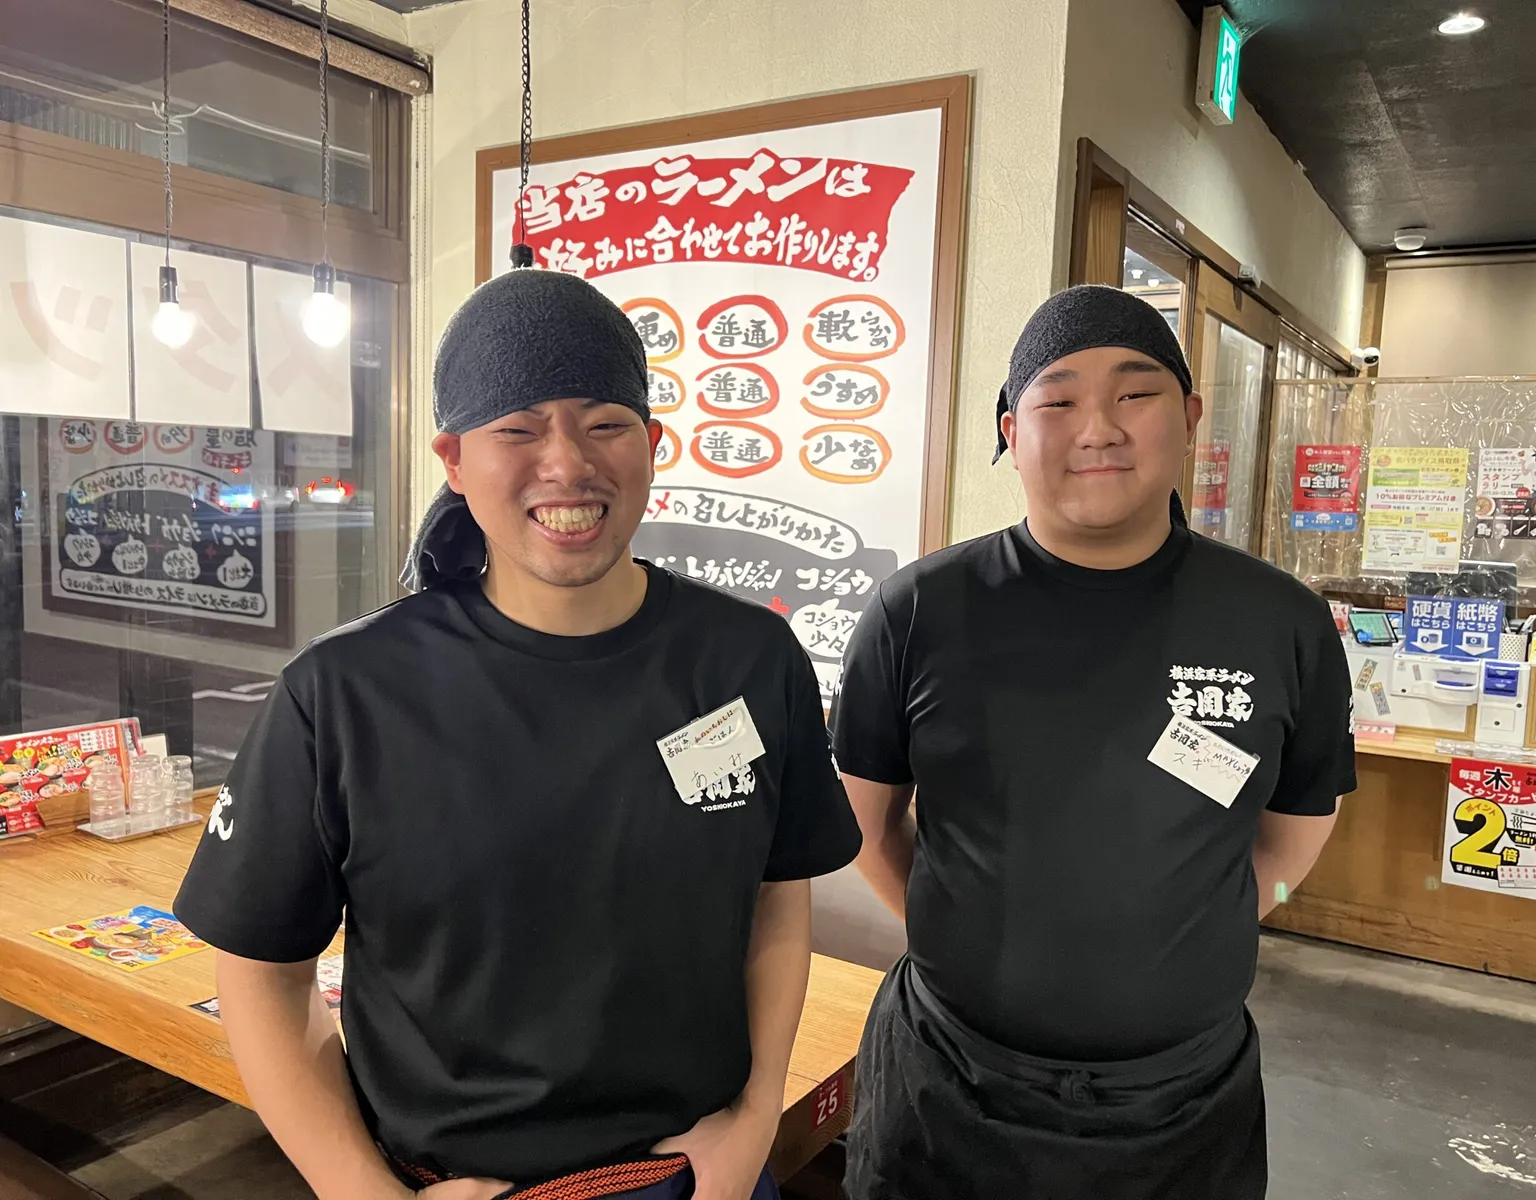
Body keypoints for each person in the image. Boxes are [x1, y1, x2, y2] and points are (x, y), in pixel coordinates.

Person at [175, 269, 862, 1200]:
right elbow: (260, 975)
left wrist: (752, 1120)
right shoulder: (345, 691)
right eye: (520, 428)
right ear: (454, 460)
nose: (568, 463)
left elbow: (778, 901)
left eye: (605, 422)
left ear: (654, 445)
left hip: (692, 1178)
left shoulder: (747, 658)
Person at [828, 285, 1356, 1200]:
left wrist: (1204, 925)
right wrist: (961, 937)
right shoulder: (917, 612)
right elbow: (868, 825)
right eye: (1058, 398)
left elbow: (1294, 828)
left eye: (1136, 393)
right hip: (948, 1088)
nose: (1099, 427)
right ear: (1010, 429)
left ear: (1190, 417)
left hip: (1183, 1104)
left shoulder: (1281, 622)